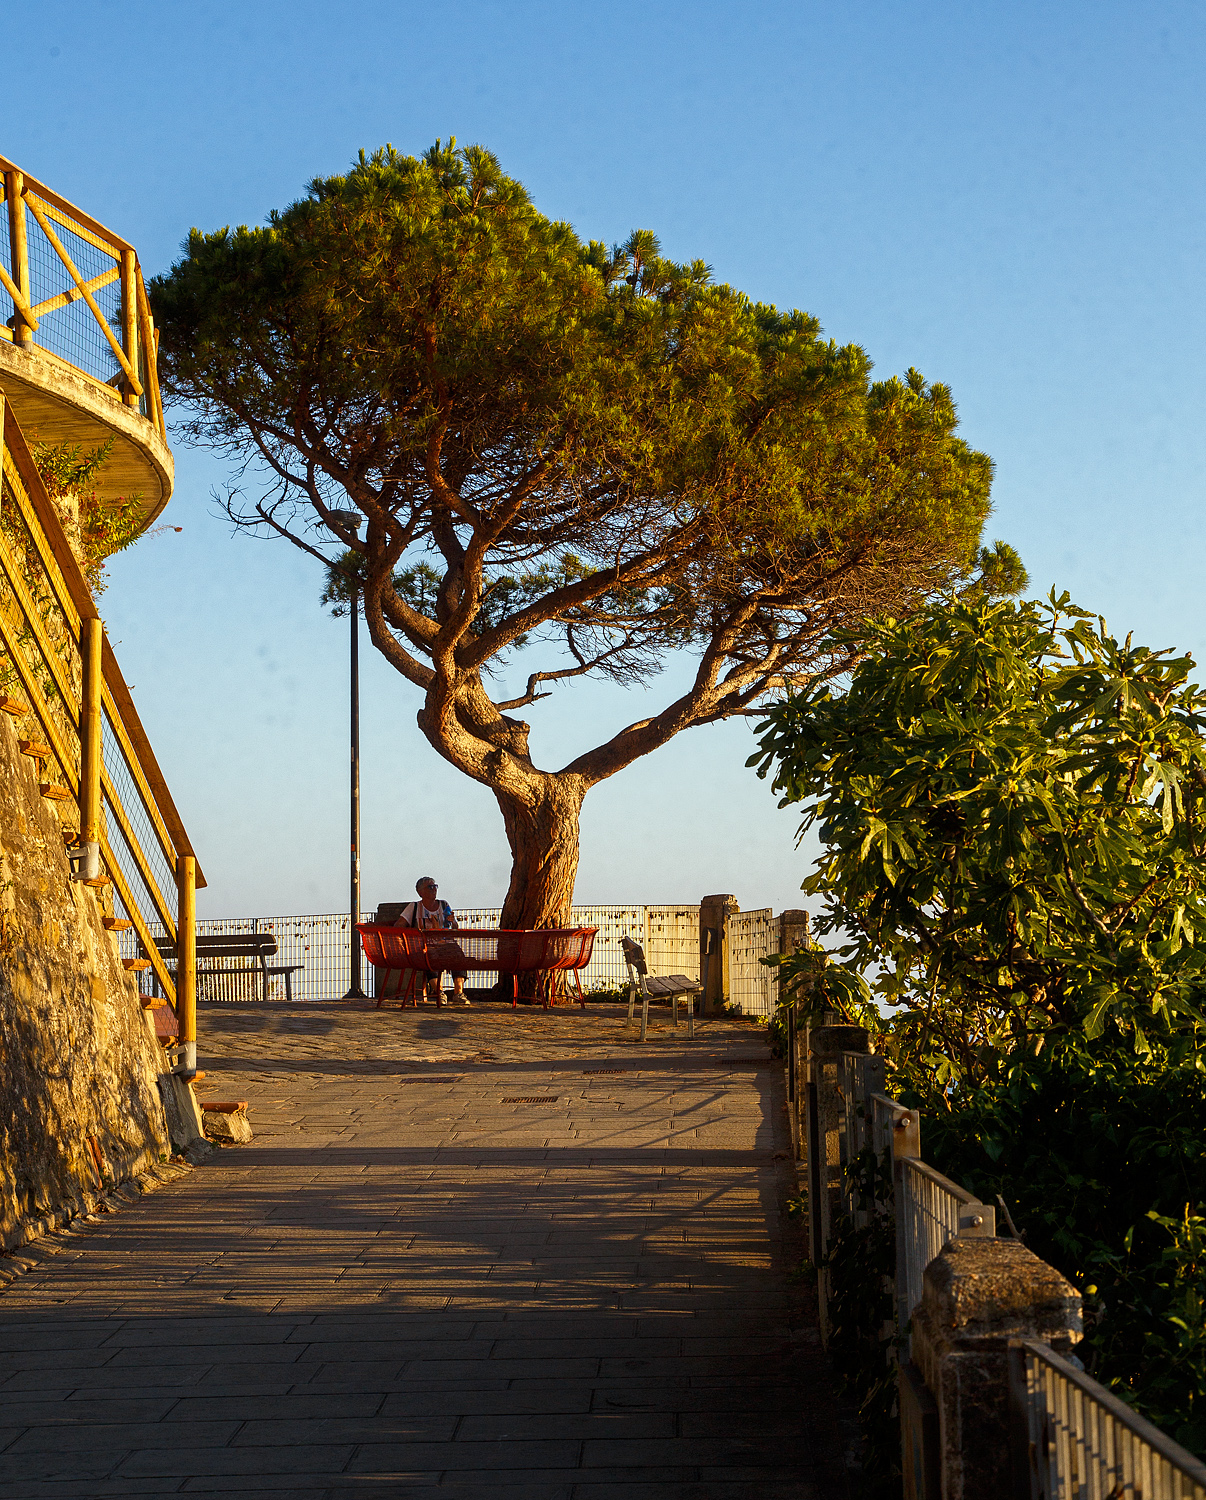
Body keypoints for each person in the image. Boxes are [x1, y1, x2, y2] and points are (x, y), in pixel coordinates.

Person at [398, 878, 470, 1005]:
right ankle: (439, 992)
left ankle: (458, 993)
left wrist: (452, 921)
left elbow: (455, 927)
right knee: (429, 957)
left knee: (458, 955)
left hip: (445, 944)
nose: (434, 889)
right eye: (430, 887)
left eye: (435, 886)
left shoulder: (444, 905)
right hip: (426, 945)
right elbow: (400, 924)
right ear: (420, 892)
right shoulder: (414, 907)